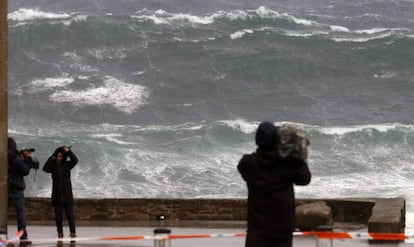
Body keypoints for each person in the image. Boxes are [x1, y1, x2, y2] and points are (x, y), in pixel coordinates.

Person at [237, 122, 311, 247]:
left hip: (257, 229)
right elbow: (304, 179)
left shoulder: (249, 163)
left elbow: (243, 169)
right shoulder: (287, 164)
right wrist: (299, 159)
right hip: (282, 230)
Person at [43, 146, 78, 239]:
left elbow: (75, 160)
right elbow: (45, 168)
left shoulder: (67, 165)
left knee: (70, 216)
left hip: (67, 195)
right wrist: (51, 158)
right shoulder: (53, 166)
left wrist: (69, 151)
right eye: (57, 156)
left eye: (61, 156)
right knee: (58, 217)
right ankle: (60, 233)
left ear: (64, 157)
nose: (59, 158)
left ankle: (73, 232)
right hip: (57, 196)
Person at [7, 137, 31, 240]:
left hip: (5, 188)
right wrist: (25, 159)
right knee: (20, 211)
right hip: (16, 188)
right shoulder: (16, 158)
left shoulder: (4, 156)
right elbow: (26, 171)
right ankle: (22, 234)